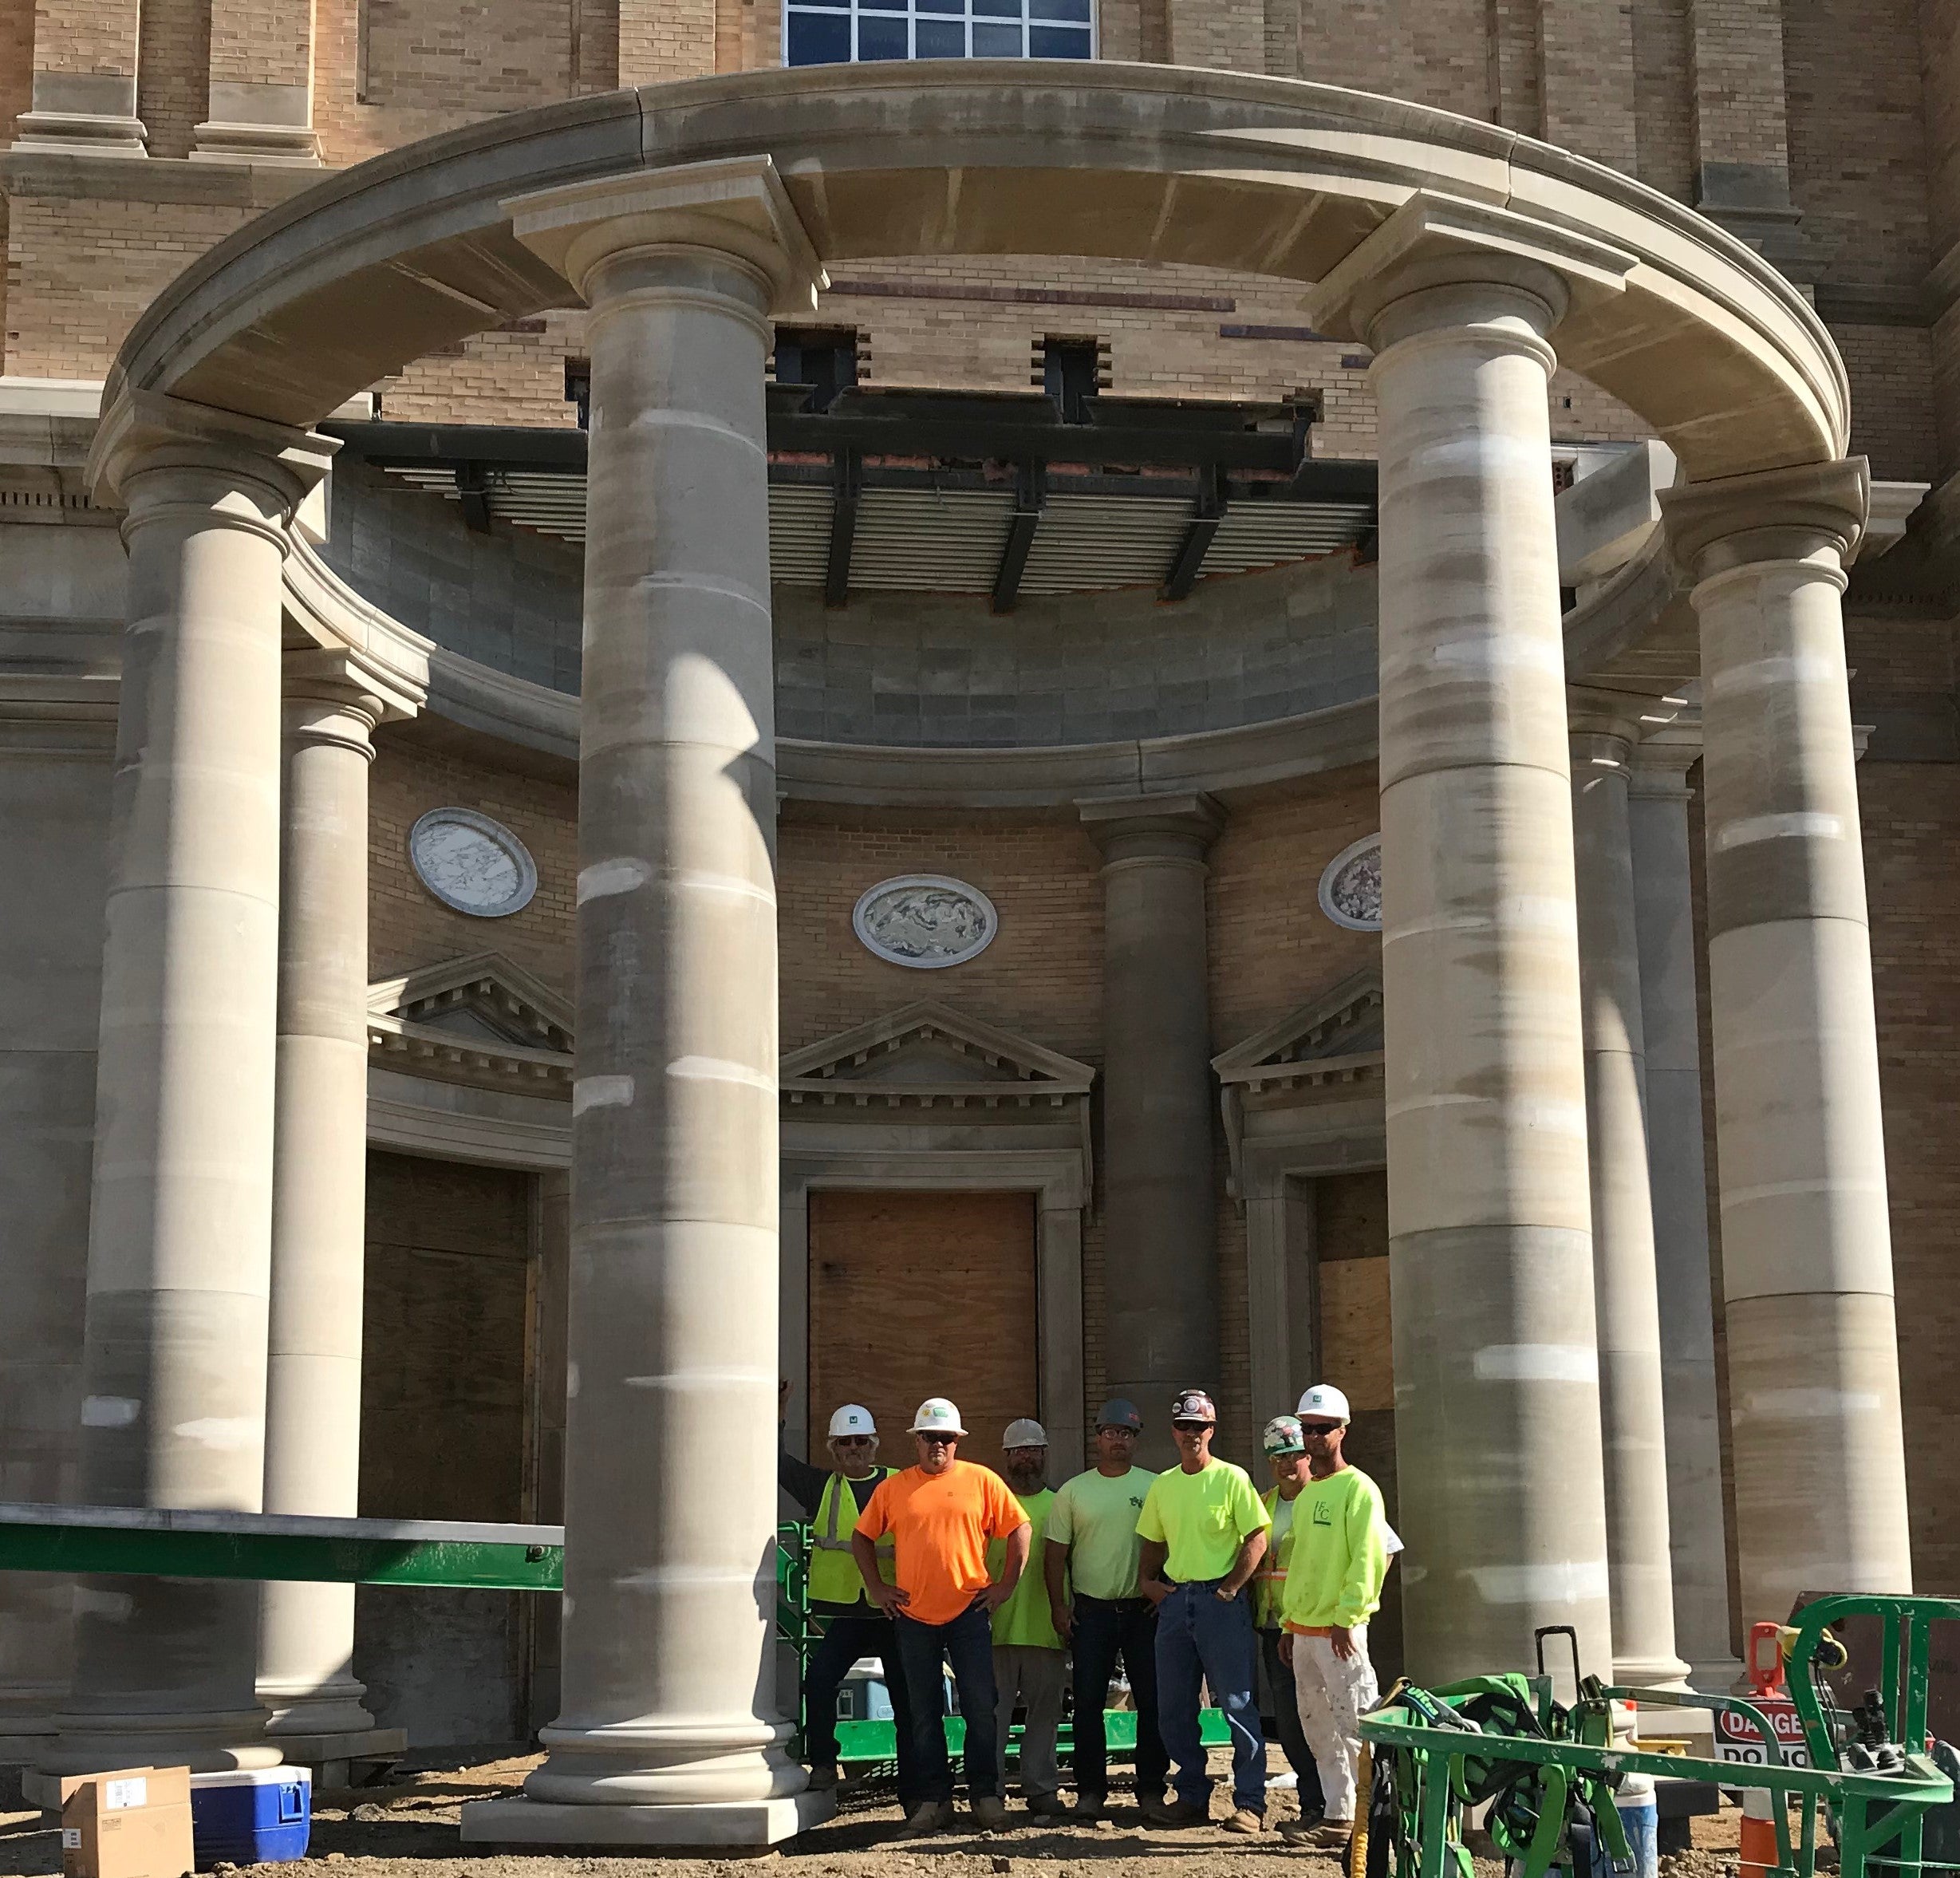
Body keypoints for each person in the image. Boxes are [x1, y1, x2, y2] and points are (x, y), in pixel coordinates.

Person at [852, 1397, 1031, 1837]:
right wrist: (876, 1588)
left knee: (980, 1708)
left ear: (957, 1443)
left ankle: (985, 1796)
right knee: (923, 1712)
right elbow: (862, 1537)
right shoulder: (894, 1489)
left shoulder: (982, 1481)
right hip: (913, 1617)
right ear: (916, 1441)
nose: (938, 1445)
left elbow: (1020, 1528)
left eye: (946, 1438)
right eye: (930, 1437)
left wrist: (1006, 1585)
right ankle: (934, 1800)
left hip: (969, 1613)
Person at [1135, 1387, 1272, 1834]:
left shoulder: (1232, 1479)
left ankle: (1250, 1803)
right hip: (1177, 1604)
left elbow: (1257, 1538)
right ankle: (1192, 1797)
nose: (1192, 1434)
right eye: (1184, 1427)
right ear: (1174, 1432)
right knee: (1173, 1708)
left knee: (1237, 1704)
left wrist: (1231, 1589)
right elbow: (1152, 1541)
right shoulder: (1163, 1485)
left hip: (1220, 1603)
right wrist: (1151, 1586)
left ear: (1212, 1431)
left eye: (1200, 1427)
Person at [776, 1395, 921, 1807]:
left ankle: (914, 1790)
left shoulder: (901, 1483)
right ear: (833, 1449)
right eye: (845, 1443)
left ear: (874, 1444)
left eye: (860, 1441)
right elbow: (777, 1463)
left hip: (894, 1611)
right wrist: (777, 1415)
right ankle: (825, 1763)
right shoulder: (823, 1487)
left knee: (907, 1702)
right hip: (845, 1614)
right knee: (819, 1683)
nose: (854, 1449)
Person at [1043, 1396, 1169, 1820]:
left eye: (1128, 1433)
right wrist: (1060, 1607)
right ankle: (1091, 1793)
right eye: (1112, 1432)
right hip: (1092, 1613)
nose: (1119, 1440)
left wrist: (1161, 1588)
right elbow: (1055, 1556)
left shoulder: (1154, 1486)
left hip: (1141, 1613)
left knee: (1151, 1702)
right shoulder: (1074, 1491)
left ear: (1136, 1440)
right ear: (1098, 1437)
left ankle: (1151, 1790)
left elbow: (1171, 1543)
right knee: (1088, 1703)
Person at [1276, 1383, 1390, 1850]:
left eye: (1323, 1428)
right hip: (1305, 1631)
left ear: (1343, 1431)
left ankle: (1374, 1819)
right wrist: (1288, 1623)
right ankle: (1339, 1816)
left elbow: (1370, 1557)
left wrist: (1347, 1617)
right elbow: (1300, 1565)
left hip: (1338, 1632)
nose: (1315, 1436)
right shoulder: (1306, 1497)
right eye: (1308, 1428)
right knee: (1318, 1725)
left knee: (1356, 1725)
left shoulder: (1359, 1489)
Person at [989, 1418, 1069, 1817]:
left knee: (1044, 1716)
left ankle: (1041, 1790)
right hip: (993, 1630)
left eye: (1033, 1450)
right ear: (1006, 1457)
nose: (1026, 1457)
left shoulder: (1061, 1504)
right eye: (1018, 1451)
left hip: (1046, 1630)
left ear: (1044, 1454)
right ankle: (991, 1792)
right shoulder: (989, 1505)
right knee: (992, 1717)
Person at [1253, 1415, 1328, 1813]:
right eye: (1278, 1455)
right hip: (1275, 1628)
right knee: (1289, 1721)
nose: (1288, 1462)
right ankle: (1312, 1804)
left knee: (1322, 1718)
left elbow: (1383, 1548)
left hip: (1317, 1627)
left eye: (1295, 1453)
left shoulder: (1327, 1496)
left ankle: (1334, 1805)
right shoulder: (1263, 1503)